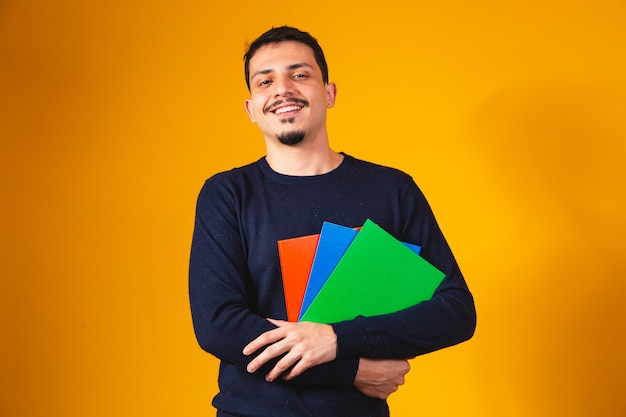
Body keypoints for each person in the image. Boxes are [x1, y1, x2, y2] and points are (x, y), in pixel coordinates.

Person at [189, 26, 476, 417]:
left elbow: (456, 312)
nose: (283, 89)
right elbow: (219, 326)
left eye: (300, 74)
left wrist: (336, 338)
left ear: (329, 93)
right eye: (265, 80)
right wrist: (350, 369)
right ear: (251, 108)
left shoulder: (392, 189)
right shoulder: (227, 194)